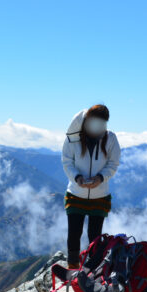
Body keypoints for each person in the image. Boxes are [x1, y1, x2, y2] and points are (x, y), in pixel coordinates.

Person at [61, 104, 121, 269]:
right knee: (74, 233)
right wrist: (77, 178)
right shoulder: (73, 138)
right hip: (75, 193)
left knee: (95, 236)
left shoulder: (111, 138)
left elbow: (113, 163)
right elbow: (67, 161)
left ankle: (92, 269)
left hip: (100, 195)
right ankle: (72, 268)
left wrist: (100, 178)